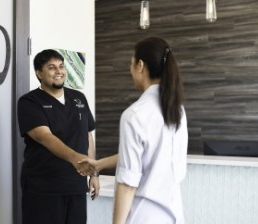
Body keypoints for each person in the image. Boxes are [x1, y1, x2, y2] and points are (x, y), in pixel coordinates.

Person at [79, 37, 188, 224]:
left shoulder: (135, 115)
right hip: (173, 216)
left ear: (140, 65)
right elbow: (146, 156)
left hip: (143, 216)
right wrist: (100, 164)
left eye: (131, 63)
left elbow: (128, 184)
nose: (130, 70)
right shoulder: (177, 110)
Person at [17, 49, 99, 224]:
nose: (59, 71)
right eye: (51, 67)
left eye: (61, 66)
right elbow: (43, 136)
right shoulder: (29, 102)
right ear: (39, 73)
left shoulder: (78, 98)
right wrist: (76, 158)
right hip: (43, 188)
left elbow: (87, 135)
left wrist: (94, 174)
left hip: (75, 186)